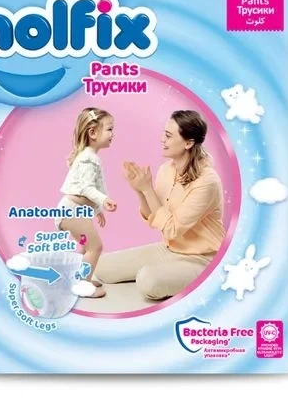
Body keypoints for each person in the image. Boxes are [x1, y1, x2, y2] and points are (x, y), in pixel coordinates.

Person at [95, 110, 225, 301]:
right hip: (170, 250)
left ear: (188, 143)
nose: (162, 139)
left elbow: (172, 229)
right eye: (164, 133)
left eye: (169, 135)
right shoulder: (166, 170)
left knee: (148, 281)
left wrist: (147, 189)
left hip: (203, 258)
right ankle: (169, 273)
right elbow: (153, 216)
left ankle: (199, 277)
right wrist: (139, 190)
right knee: (102, 267)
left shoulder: (207, 182)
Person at [54, 107, 117, 298]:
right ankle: (83, 286)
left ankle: (81, 279)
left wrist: (97, 210)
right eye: (109, 129)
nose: (113, 134)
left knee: (85, 248)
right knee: (94, 247)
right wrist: (104, 200)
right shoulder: (88, 159)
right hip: (72, 210)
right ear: (93, 132)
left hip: (75, 210)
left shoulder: (90, 157)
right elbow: (87, 188)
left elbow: (92, 188)